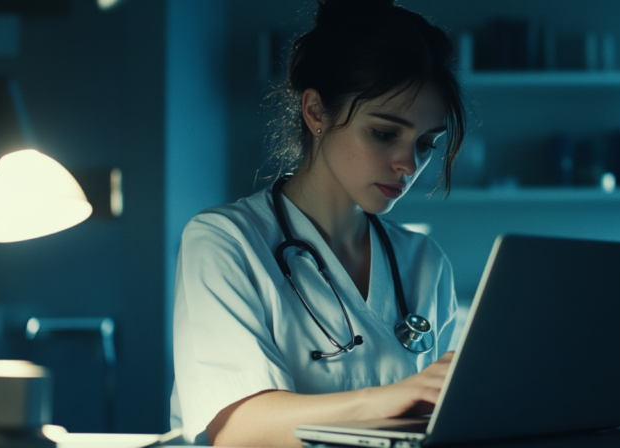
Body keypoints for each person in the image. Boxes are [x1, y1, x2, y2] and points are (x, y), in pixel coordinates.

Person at [170, 0, 467, 445]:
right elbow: (238, 431)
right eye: (385, 134)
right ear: (315, 112)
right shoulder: (224, 242)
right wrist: (393, 398)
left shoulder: (424, 262)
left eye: (426, 144)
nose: (409, 164)